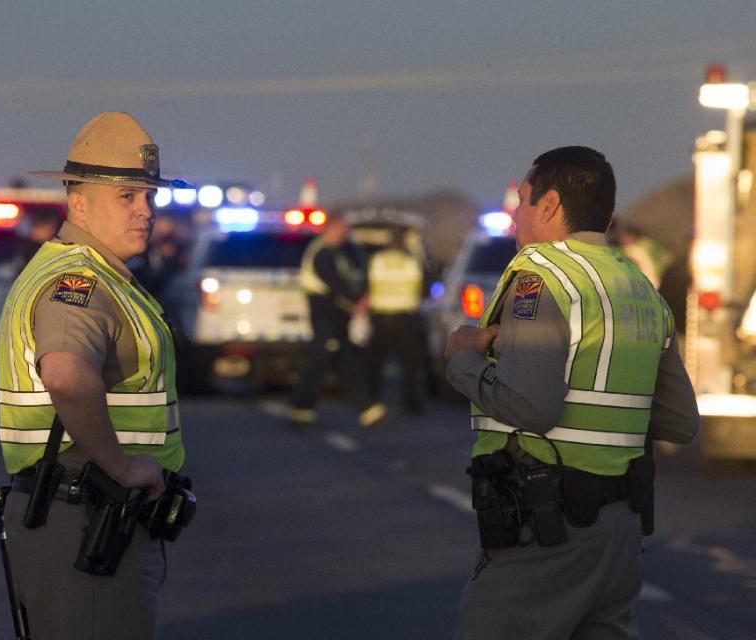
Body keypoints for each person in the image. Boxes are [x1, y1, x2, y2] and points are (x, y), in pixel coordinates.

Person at [444, 146, 700, 639]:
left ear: (550, 205)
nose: (517, 212)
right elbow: (681, 423)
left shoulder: (542, 278)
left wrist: (463, 359)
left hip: (547, 533)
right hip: (619, 540)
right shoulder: (639, 288)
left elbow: (530, 407)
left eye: (522, 199)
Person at [0, 111, 190, 639]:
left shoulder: (96, 274)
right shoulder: (78, 281)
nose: (145, 211)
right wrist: (123, 468)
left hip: (84, 512)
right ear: (77, 201)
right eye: (127, 196)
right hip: (84, 516)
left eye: (149, 196)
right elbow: (65, 374)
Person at [289, 213, 386, 427]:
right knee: (320, 360)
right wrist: (356, 302)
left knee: (343, 359)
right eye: (342, 229)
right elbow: (335, 284)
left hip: (337, 316)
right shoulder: (322, 253)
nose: (345, 234)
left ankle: (365, 407)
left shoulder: (339, 252)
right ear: (331, 229)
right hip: (325, 315)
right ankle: (302, 409)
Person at [366, 226, 426, 414]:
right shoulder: (410, 262)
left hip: (380, 317)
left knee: (375, 363)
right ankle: (411, 403)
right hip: (404, 318)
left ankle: (372, 401)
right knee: (409, 364)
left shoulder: (377, 260)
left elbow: (366, 285)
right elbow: (422, 288)